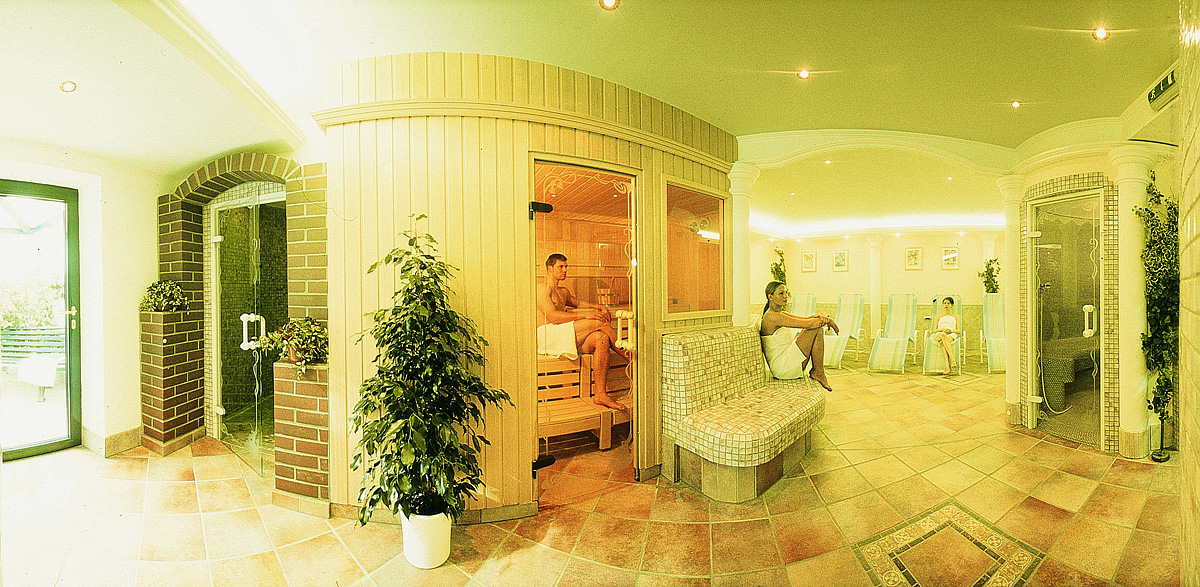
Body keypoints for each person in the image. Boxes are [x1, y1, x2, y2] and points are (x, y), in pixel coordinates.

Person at [537, 253, 628, 411]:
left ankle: (600, 394)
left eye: (566, 267)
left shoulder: (563, 291)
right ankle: (631, 359)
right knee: (599, 322)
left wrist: (598, 306)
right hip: (548, 334)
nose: (565, 270)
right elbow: (552, 316)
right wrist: (586, 315)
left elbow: (578, 303)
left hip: (562, 333)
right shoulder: (542, 288)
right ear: (550, 268)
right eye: (560, 267)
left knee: (601, 339)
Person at [759, 281, 838, 391]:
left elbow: (807, 319)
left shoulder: (779, 314)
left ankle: (818, 372)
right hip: (783, 367)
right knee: (816, 329)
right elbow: (809, 324)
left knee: (817, 328)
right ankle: (818, 372)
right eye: (781, 293)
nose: (785, 296)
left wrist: (823, 315)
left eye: (786, 292)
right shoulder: (771, 317)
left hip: (786, 362)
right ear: (770, 297)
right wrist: (828, 321)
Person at [931, 296, 961, 375]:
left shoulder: (956, 317)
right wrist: (942, 329)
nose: (946, 305)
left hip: (951, 334)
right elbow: (934, 330)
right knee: (943, 335)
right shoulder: (938, 317)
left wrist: (951, 330)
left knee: (943, 343)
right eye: (945, 303)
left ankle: (947, 365)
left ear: (951, 305)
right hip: (939, 334)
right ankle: (953, 359)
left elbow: (958, 330)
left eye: (948, 303)